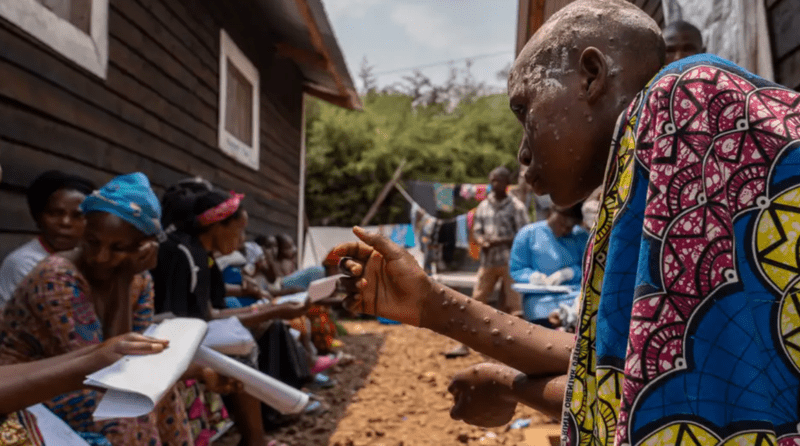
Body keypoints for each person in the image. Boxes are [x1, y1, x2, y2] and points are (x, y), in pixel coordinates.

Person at [331, 0, 800, 445]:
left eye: (524, 111)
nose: (522, 154)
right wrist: (430, 305)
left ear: (591, 76)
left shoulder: (688, 100)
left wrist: (511, 385)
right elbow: (638, 376)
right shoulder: (649, 175)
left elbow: (681, 410)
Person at [0, 172, 227, 445]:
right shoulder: (56, 276)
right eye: (93, 242)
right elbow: (112, 367)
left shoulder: (140, 278)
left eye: (118, 248)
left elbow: (135, 356)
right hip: (32, 384)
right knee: (127, 416)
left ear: (143, 246)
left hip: (81, 377)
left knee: (165, 392)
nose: (100, 257)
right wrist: (123, 277)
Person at [152, 186, 310, 446]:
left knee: (269, 327)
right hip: (172, 335)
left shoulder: (205, 257)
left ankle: (278, 408)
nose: (241, 241)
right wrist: (269, 309)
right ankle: (255, 438)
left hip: (195, 330)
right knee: (241, 347)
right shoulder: (182, 253)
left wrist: (268, 310)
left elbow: (212, 311)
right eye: (239, 231)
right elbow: (195, 319)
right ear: (217, 225)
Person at [444, 166, 529, 358]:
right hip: (488, 262)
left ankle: (521, 349)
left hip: (509, 263)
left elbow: (523, 236)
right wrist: (481, 241)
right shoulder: (483, 206)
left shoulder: (517, 207)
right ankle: (464, 346)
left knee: (516, 307)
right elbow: (477, 231)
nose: (495, 184)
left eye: (499, 181)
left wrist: (499, 241)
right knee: (475, 303)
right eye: (492, 180)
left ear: (507, 184)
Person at [0, 171, 95, 305]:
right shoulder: (24, 264)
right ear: (39, 218)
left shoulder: (91, 259)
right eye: (55, 213)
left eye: (78, 216)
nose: (65, 223)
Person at [509, 204, 588, 326]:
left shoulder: (581, 236)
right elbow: (517, 269)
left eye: (569, 228)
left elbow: (589, 269)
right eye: (561, 224)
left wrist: (570, 273)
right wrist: (532, 277)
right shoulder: (527, 234)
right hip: (540, 301)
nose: (564, 230)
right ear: (551, 213)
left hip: (573, 298)